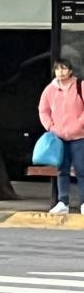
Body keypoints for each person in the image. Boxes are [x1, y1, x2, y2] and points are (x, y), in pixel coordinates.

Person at [37, 58, 84, 214]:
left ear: (70, 71)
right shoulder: (50, 89)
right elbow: (43, 110)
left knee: (81, 170)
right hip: (59, 138)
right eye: (58, 69)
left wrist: (79, 124)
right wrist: (50, 126)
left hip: (79, 137)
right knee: (62, 170)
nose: (61, 72)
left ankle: (83, 203)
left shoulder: (80, 86)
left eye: (64, 69)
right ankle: (63, 202)